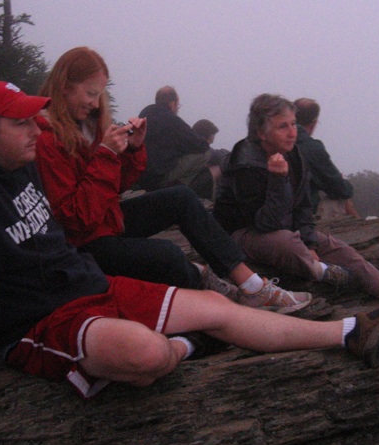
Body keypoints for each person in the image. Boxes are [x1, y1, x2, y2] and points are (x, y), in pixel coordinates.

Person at [0, 81, 379, 404]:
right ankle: (187, 347)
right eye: (21, 122)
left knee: (218, 306)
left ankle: (351, 334)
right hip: (39, 320)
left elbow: (98, 202)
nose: (35, 128)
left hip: (87, 280)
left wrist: (118, 153)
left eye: (34, 118)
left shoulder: (17, 162)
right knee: (147, 354)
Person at [34, 47, 311, 314]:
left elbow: (114, 186)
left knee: (181, 197)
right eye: (90, 93)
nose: (95, 103)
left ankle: (252, 286)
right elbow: (75, 219)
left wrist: (132, 150)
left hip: (106, 222)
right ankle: (220, 300)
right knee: (168, 254)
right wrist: (106, 155)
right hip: (82, 244)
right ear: (65, 86)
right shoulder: (47, 140)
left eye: (100, 94)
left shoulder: (87, 126)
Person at [213, 94, 379, 321]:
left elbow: (303, 206)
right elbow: (266, 224)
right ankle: (323, 272)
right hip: (242, 234)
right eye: (282, 127)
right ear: (261, 133)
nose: (292, 132)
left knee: (337, 248)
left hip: (286, 228)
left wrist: (309, 241)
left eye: (293, 125)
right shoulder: (246, 164)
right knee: (286, 243)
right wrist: (278, 180)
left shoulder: (295, 155)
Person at [137, 86, 213, 198]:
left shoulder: (144, 114)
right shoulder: (172, 120)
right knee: (206, 153)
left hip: (140, 174)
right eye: (178, 106)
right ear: (172, 104)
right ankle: (178, 187)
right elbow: (200, 145)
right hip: (159, 176)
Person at [294, 98, 359, 217]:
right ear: (313, 123)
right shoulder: (310, 147)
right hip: (300, 214)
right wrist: (345, 184)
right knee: (343, 200)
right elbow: (339, 188)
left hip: (274, 210)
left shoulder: (271, 139)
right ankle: (362, 230)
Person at [192, 118, 230, 197]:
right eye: (209, 142)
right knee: (222, 166)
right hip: (192, 185)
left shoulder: (190, 145)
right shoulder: (199, 148)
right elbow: (220, 156)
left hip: (190, 183)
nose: (209, 144)